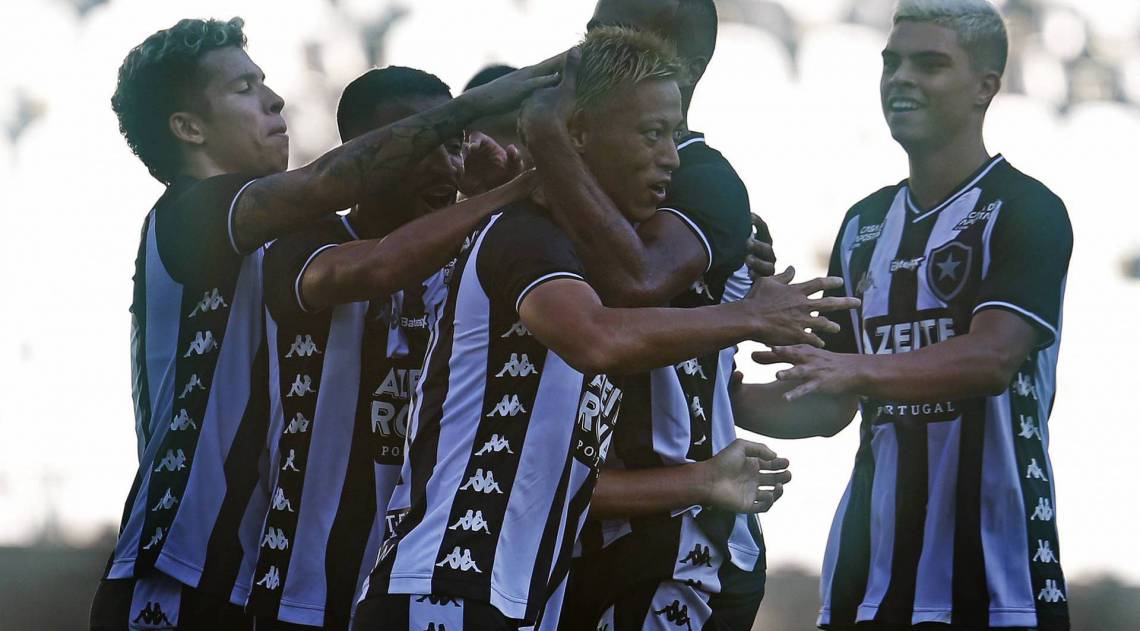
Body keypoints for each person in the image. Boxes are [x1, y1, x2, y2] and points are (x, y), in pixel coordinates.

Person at [352, 26, 858, 631]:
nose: (671, 156)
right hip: (447, 587)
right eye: (651, 134)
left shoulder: (580, 259)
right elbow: (596, 340)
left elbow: (570, 470)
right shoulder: (526, 237)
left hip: (515, 597)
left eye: (674, 135)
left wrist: (707, 476)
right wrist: (747, 317)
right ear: (579, 134)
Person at [92, 16, 559, 630]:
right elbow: (332, 187)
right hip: (178, 565)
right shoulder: (187, 214)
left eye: (262, 80)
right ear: (189, 128)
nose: (274, 98)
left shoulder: (279, 237)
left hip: (246, 572)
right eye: (241, 88)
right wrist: (488, 113)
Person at [740, 1, 1073, 629]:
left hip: (996, 582)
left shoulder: (1027, 209)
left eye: (930, 64)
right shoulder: (863, 225)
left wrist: (857, 371)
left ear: (985, 88)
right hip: (869, 582)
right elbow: (826, 402)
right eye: (892, 63)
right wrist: (711, 391)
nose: (901, 79)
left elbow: (991, 358)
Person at [520, 1, 785, 628]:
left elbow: (636, 283)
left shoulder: (705, 180)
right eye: (590, 37)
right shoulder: (569, 173)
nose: (588, 56)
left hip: (676, 542)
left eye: (618, 41)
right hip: (569, 528)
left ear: (683, 70)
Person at [247, 66, 535, 630]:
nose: (442, 166)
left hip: (425, 581)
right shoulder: (304, 243)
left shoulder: (479, 258)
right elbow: (379, 265)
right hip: (306, 586)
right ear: (363, 154)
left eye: (453, 147)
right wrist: (513, 192)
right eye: (418, 146)